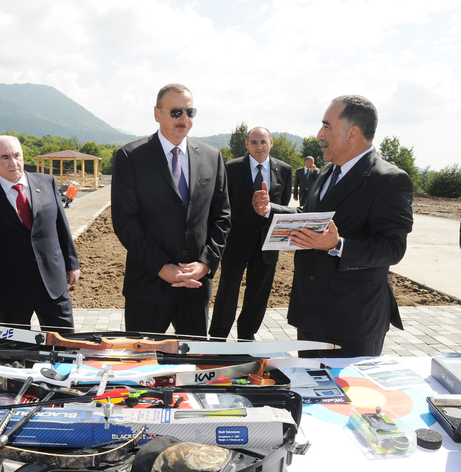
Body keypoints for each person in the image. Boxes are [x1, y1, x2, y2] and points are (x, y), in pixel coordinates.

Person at [253, 95, 414, 357]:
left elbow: (393, 248)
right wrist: (270, 209)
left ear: (352, 133)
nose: (319, 134)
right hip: (310, 312)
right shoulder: (329, 171)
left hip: (352, 320)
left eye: (327, 126)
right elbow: (310, 215)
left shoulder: (389, 180)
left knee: (350, 397)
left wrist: (337, 245)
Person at [111, 83, 231, 337]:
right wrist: (161, 267)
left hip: (194, 285)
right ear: (157, 114)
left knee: (193, 364)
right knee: (141, 366)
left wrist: (205, 264)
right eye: (176, 112)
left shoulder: (213, 157)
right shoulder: (131, 157)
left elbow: (222, 218)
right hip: (148, 285)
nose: (184, 119)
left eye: (190, 112)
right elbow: (125, 221)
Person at [0, 135, 80, 333]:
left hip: (53, 285)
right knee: (13, 355)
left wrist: (72, 263)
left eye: (17, 155)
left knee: (65, 348)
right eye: (5, 157)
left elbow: (61, 226)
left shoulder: (47, 182)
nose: (13, 163)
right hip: (9, 291)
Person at [209, 127, 292, 340]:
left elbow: (283, 205)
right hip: (236, 242)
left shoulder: (284, 170)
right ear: (247, 144)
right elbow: (222, 205)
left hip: (268, 244)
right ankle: (218, 335)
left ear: (271, 142)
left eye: (263, 142)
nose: (259, 147)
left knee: (258, 294)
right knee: (228, 291)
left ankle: (247, 334)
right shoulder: (231, 168)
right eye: (254, 142)